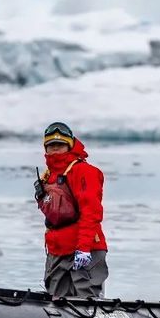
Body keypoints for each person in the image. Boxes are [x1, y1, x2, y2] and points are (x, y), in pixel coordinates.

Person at [35, 122, 108, 299]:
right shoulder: (48, 176)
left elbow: (91, 213)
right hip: (57, 251)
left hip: (83, 249)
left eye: (60, 145)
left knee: (86, 301)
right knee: (56, 300)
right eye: (51, 146)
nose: (55, 150)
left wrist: (83, 248)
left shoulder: (84, 172)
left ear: (69, 145)